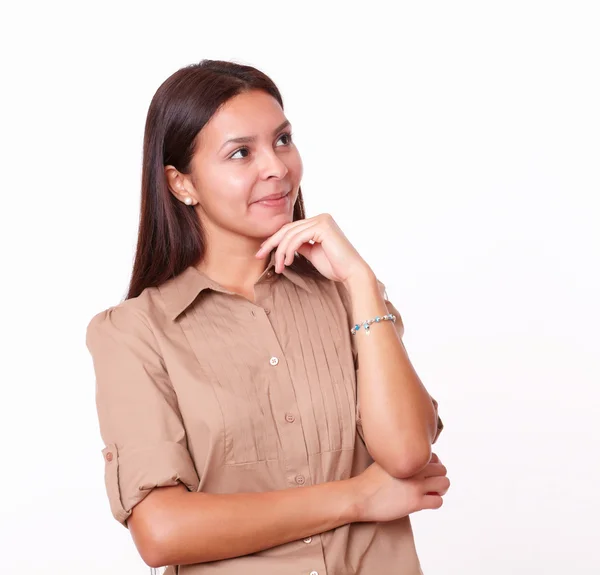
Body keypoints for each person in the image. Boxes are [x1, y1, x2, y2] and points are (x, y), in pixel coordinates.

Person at [85, 59, 448, 575]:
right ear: (181, 183)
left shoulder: (349, 297)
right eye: (241, 153)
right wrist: (357, 498)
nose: (276, 167)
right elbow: (162, 531)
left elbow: (408, 455)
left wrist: (362, 283)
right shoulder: (134, 333)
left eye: (282, 140)